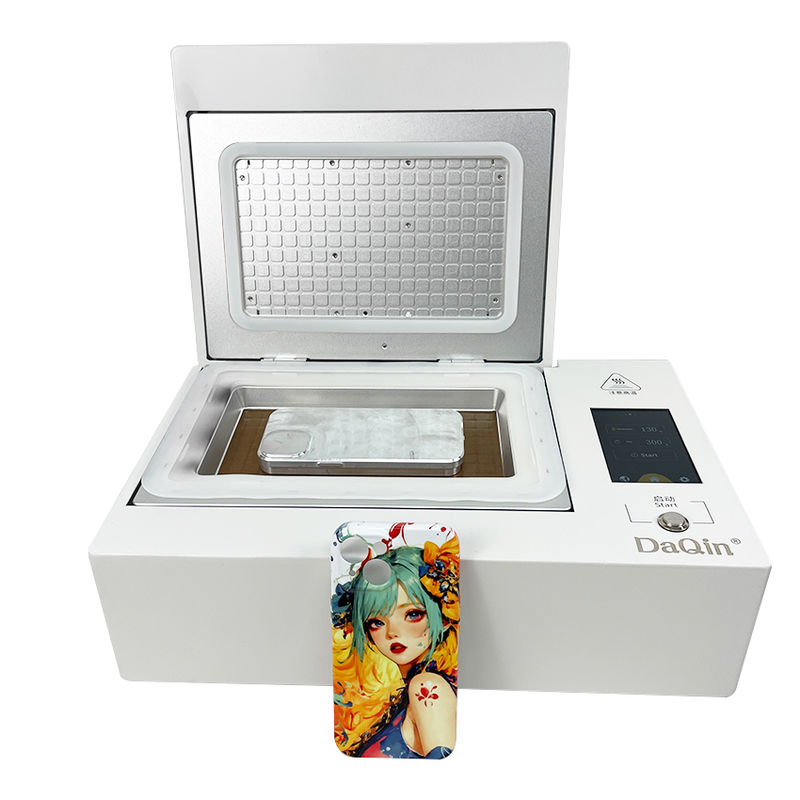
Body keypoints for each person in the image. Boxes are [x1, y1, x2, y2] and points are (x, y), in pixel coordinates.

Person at [332, 532, 459, 758]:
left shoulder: (427, 686)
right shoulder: (411, 692)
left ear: (444, 616)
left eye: (412, 614)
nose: (392, 633)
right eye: (377, 622)